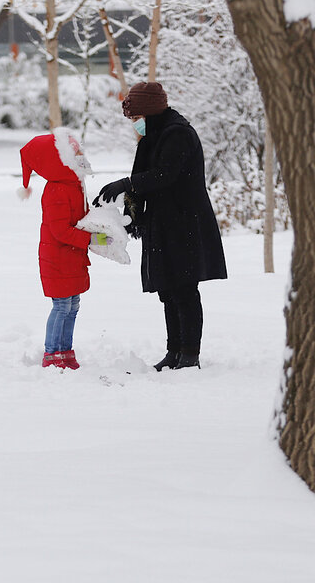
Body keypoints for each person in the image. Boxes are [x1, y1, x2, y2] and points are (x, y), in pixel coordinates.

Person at [96, 82, 227, 371]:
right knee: (167, 289)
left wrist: (127, 185)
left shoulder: (177, 133)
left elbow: (165, 175)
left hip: (184, 222)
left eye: (136, 118)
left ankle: (189, 354)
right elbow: (144, 176)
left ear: (149, 112)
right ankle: (174, 351)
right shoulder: (154, 136)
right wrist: (131, 213)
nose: (134, 124)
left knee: (184, 289)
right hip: (164, 222)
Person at [20, 128, 113, 370]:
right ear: (60, 160)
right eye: (75, 151)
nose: (81, 154)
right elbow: (60, 230)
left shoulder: (73, 185)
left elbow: (78, 219)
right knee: (61, 306)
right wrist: (91, 239)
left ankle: (65, 351)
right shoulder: (58, 190)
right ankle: (52, 353)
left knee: (72, 305)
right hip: (58, 257)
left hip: (71, 256)